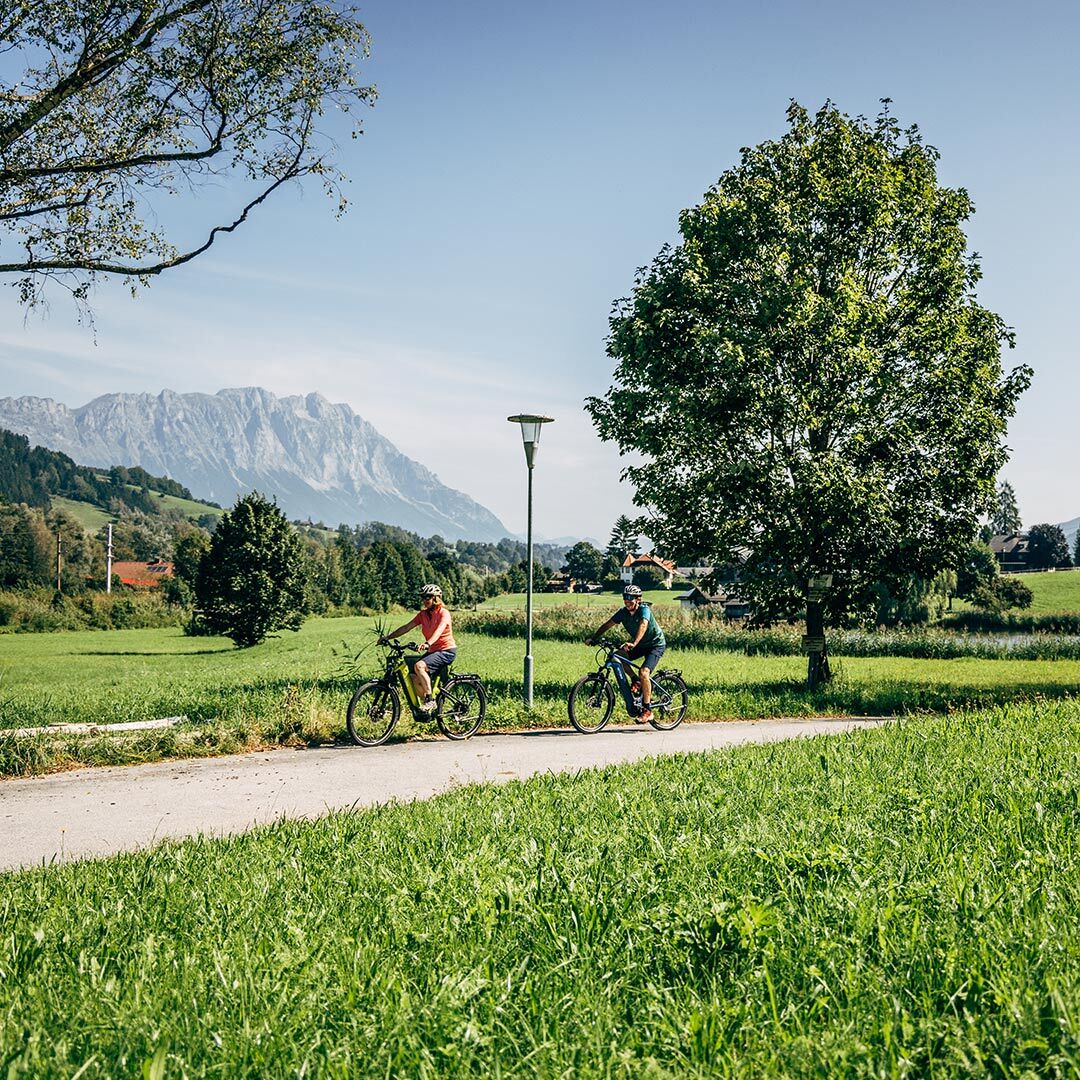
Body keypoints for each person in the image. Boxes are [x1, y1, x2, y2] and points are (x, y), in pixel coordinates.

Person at [588, 583, 666, 723]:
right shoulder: (623, 612)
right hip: (640, 644)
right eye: (625, 597)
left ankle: (647, 710)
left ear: (638, 599)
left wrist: (634, 643)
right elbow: (608, 624)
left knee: (644, 672)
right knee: (618, 656)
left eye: (630, 597)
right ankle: (635, 680)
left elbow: (643, 625)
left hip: (655, 645)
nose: (627, 600)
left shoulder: (644, 610)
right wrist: (594, 638)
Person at [379, 584, 457, 713]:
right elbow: (406, 627)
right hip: (433, 651)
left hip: (446, 651)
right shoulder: (423, 615)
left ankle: (430, 700)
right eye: (423, 597)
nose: (425, 600)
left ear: (436, 598)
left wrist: (427, 643)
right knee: (412, 678)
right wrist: (388, 637)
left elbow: (438, 631)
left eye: (428, 597)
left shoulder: (444, 613)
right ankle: (432, 703)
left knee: (419, 666)